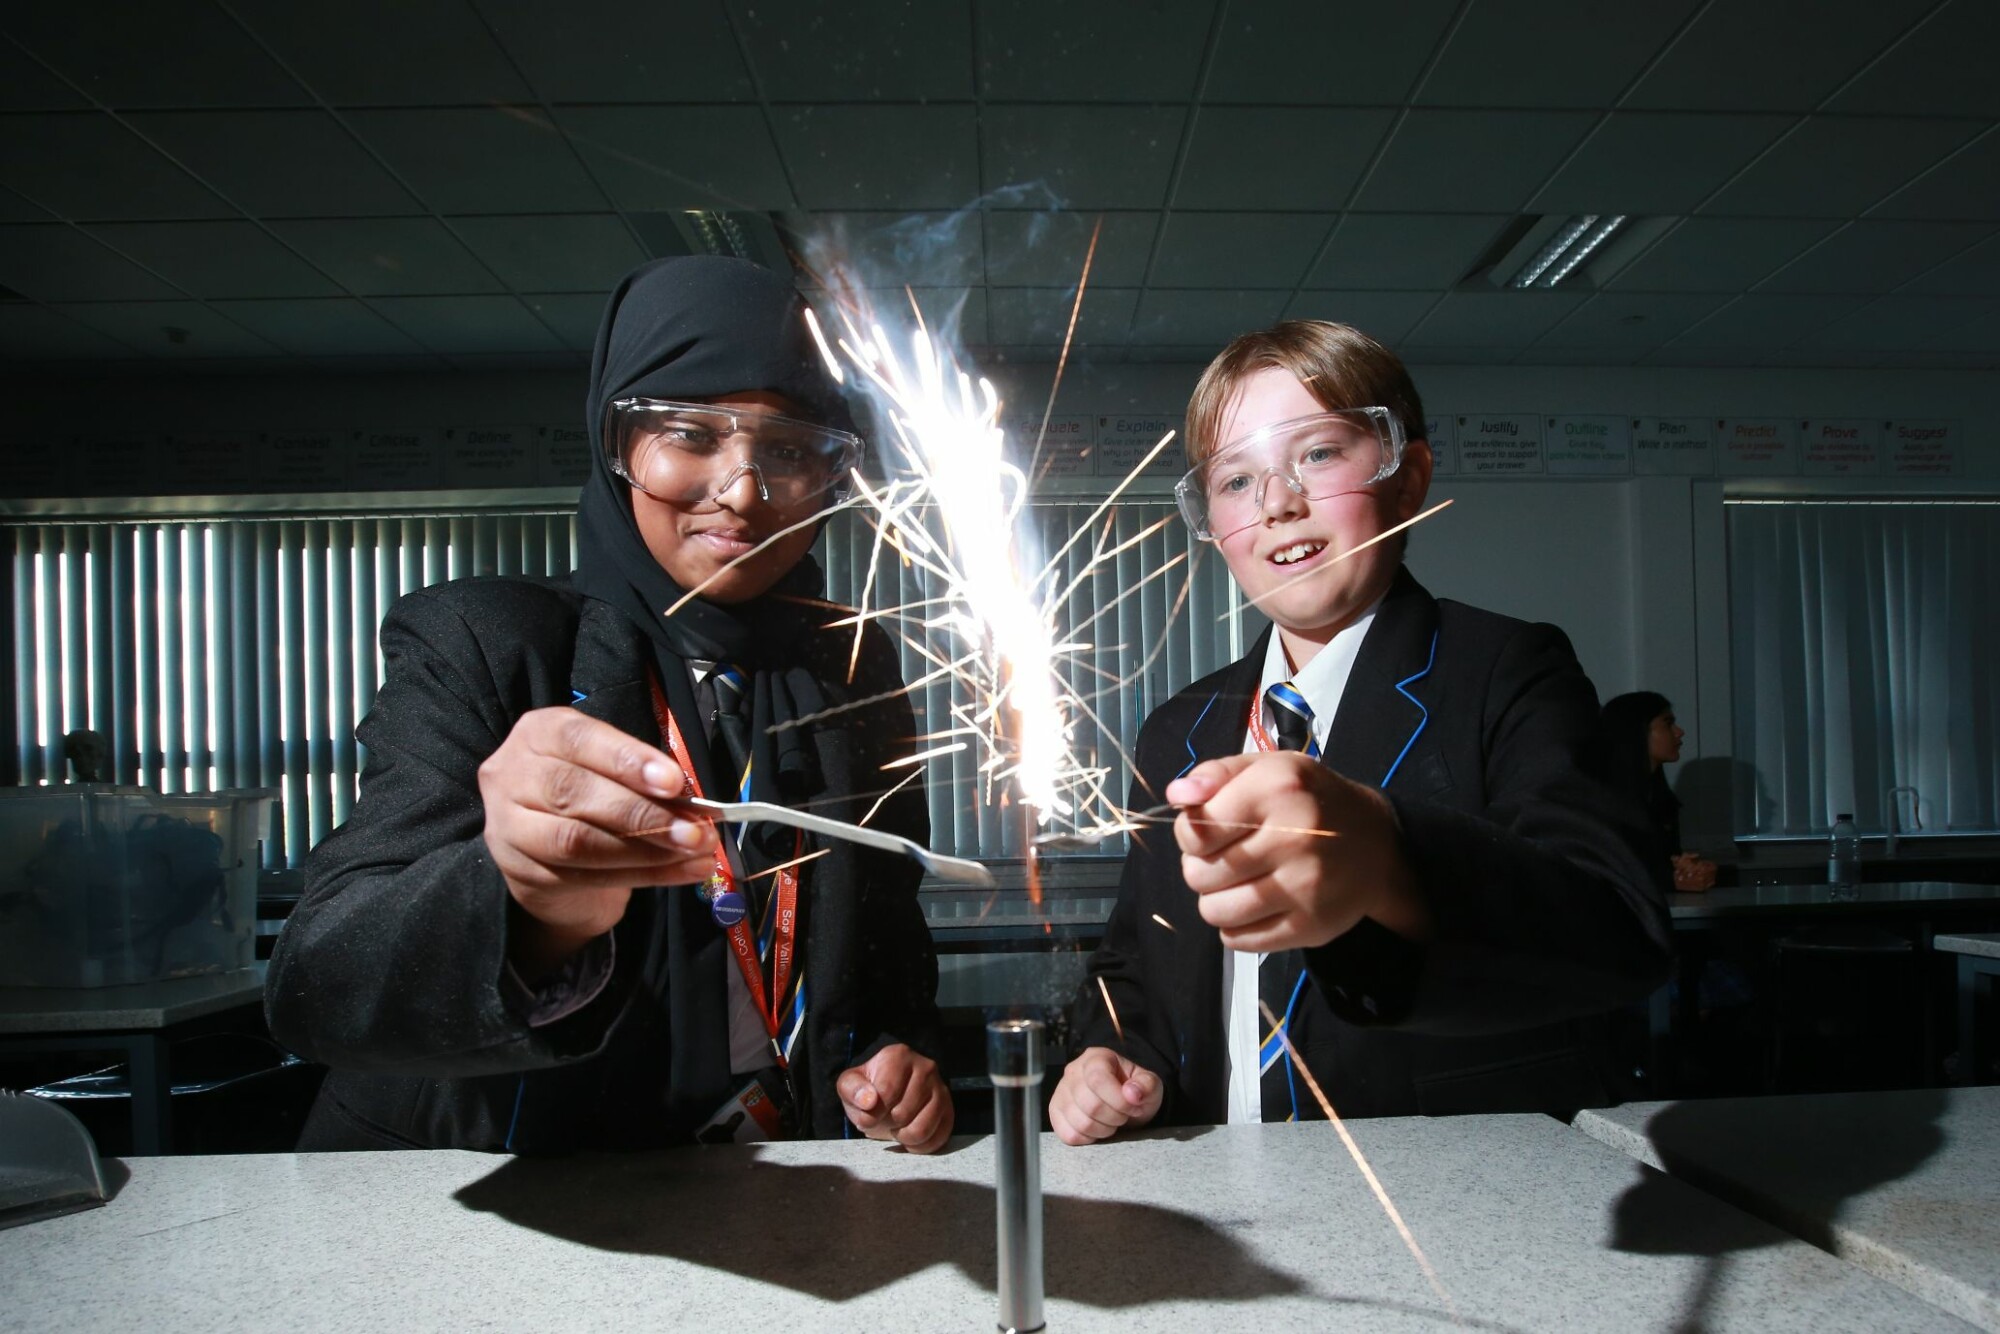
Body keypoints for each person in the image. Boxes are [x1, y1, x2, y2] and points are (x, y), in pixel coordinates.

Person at [266, 256, 952, 1154]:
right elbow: (317, 983)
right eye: (691, 434)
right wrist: (518, 901)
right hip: (507, 1184)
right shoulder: (490, 644)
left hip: (778, 1180)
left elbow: (886, 925)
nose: (744, 492)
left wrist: (897, 1049)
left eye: (789, 452)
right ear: (615, 442)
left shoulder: (850, 667)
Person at [1050, 320, 1672, 1142]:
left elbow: (1617, 933)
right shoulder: (1179, 732)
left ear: (1407, 479)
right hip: (1221, 1181)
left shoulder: (1506, 672)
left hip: (1443, 1183)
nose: (1277, 503)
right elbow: (1139, 963)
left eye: (1316, 454)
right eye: (1236, 480)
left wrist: (1389, 857)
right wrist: (1111, 1055)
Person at [1601, 691, 1717, 891]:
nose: (1679, 732)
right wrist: (1672, 881)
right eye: (1668, 723)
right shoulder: (1603, 799)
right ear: (1637, 731)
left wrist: (1688, 869)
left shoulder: (1661, 799)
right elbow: (1608, 871)